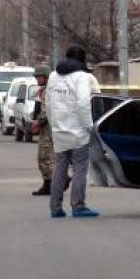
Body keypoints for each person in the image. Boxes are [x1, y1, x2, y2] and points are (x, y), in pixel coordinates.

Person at [45, 45, 101, 218]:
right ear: (82, 60)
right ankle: (78, 206)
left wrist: (53, 124)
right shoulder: (83, 77)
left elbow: (47, 102)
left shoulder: (53, 76)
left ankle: (55, 208)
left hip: (59, 130)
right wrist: (89, 126)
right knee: (79, 170)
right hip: (78, 131)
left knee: (59, 169)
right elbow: (83, 104)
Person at [30, 65, 54, 196]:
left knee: (45, 157)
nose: (36, 80)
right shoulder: (46, 90)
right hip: (49, 128)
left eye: (38, 77)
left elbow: (45, 111)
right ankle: (49, 183)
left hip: (48, 129)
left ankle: (52, 183)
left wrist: (38, 122)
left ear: (45, 77)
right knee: (47, 157)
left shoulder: (48, 91)